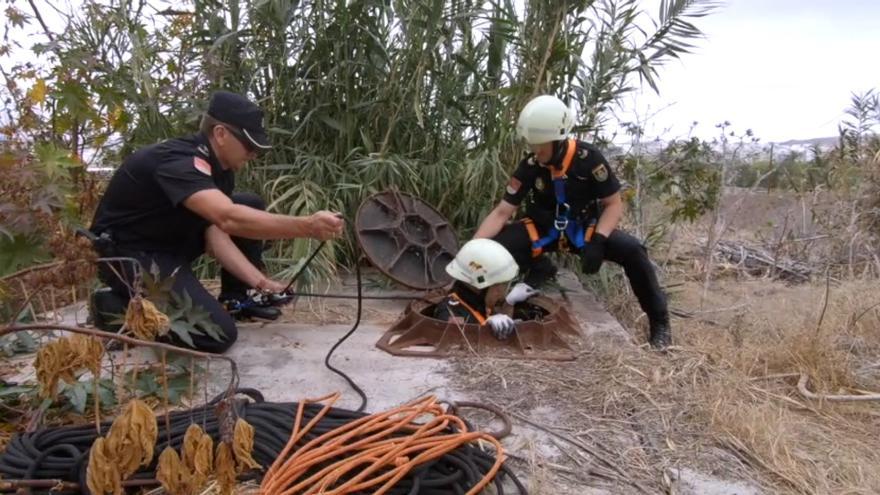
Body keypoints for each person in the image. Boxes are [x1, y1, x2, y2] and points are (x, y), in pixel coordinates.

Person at [88, 90, 343, 353]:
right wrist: (308, 226)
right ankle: (114, 309)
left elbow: (217, 233)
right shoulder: (179, 162)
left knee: (248, 203)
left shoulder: (219, 169)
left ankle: (237, 300)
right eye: (250, 145)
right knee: (217, 335)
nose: (254, 154)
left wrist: (262, 283)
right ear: (220, 134)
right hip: (128, 256)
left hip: (166, 245)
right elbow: (229, 219)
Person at [474, 95, 672, 348]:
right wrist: (475, 249)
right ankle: (495, 299)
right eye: (532, 145)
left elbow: (613, 204)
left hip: (584, 232)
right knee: (496, 247)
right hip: (541, 230)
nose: (536, 151)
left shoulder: (590, 159)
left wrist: (599, 241)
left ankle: (660, 325)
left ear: (558, 139)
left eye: (540, 146)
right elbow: (503, 212)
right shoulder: (532, 165)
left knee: (633, 251)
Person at [433, 238, 520, 340]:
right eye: (503, 285)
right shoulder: (448, 312)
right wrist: (486, 329)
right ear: (482, 286)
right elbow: (456, 344)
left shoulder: (477, 303)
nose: (504, 293)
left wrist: (509, 304)